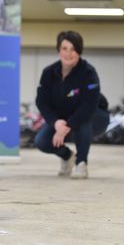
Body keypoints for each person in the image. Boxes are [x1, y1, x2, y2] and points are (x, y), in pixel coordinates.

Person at [34, 31, 101, 179]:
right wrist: (55, 123)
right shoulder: (48, 73)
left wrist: (68, 126)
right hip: (59, 119)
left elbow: (89, 105)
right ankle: (67, 156)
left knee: (84, 123)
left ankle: (81, 162)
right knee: (41, 141)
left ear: (79, 51)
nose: (68, 53)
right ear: (59, 50)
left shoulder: (88, 73)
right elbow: (41, 101)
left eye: (73, 49)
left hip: (88, 117)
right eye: (64, 48)